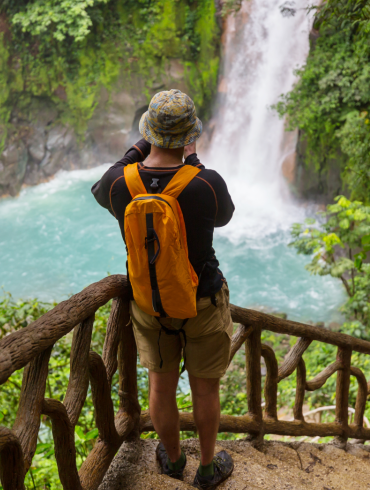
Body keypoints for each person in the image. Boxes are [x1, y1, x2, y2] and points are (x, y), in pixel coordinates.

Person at [91, 89, 236, 489]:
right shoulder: (204, 183)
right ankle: (207, 469)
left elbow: (102, 186)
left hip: (148, 302)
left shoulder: (121, 183)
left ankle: (172, 461)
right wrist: (193, 160)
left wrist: (140, 148)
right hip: (201, 300)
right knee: (205, 390)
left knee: (161, 384)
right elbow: (224, 216)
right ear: (190, 135)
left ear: (148, 133)